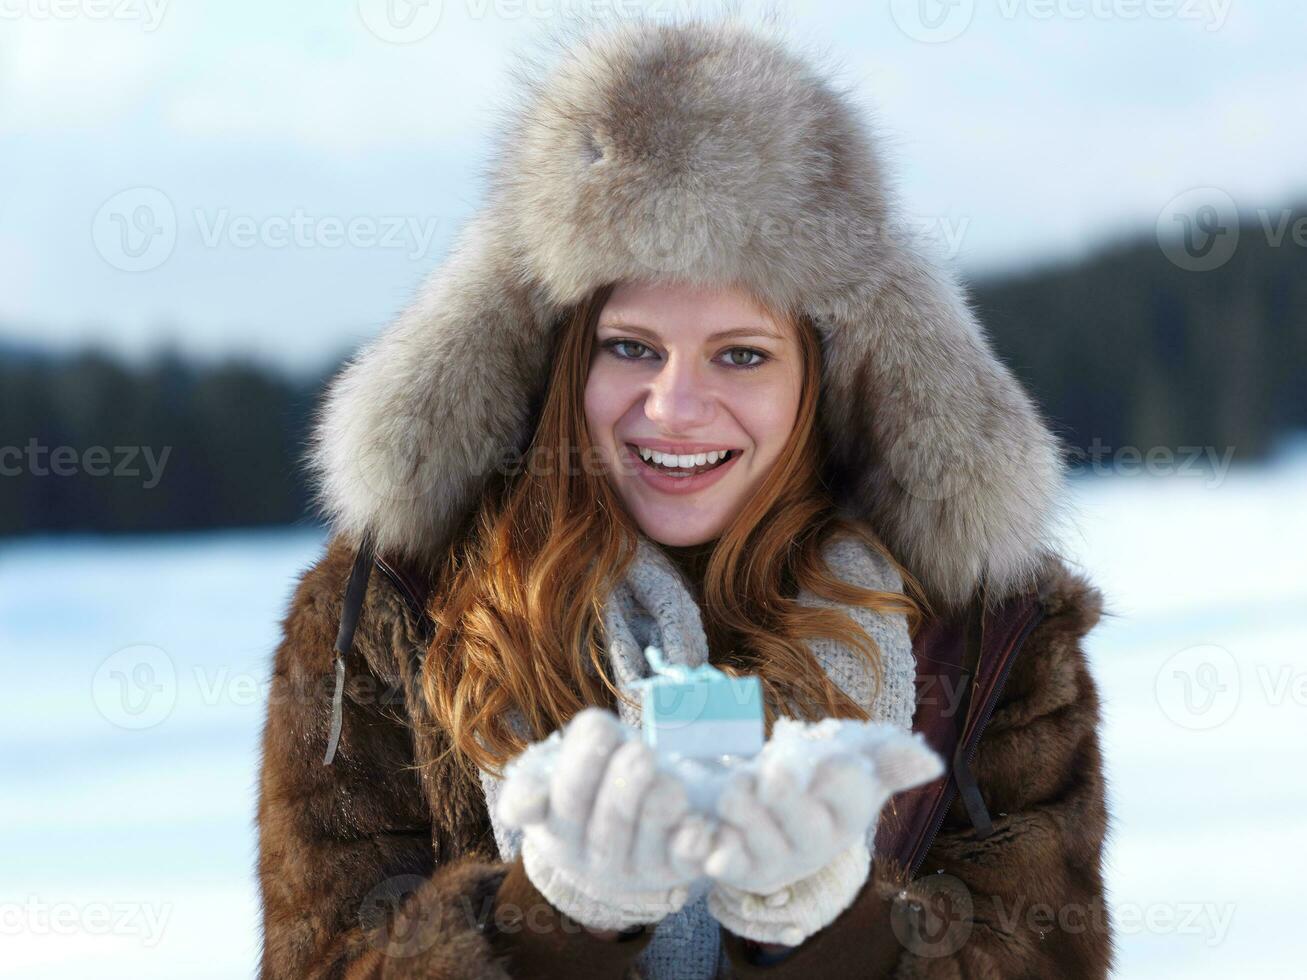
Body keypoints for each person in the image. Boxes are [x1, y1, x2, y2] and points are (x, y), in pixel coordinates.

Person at [256, 15, 1114, 980]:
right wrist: (550, 919)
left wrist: (831, 926)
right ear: (558, 364)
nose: (674, 407)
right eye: (631, 347)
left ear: (821, 379)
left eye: (740, 355)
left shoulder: (981, 632)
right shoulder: (391, 614)